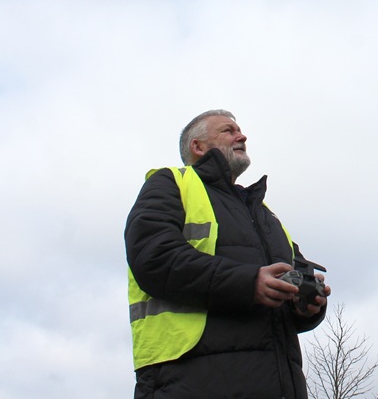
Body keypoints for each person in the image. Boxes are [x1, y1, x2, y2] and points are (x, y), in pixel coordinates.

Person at [126, 109, 329, 399]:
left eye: (240, 130)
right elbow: (154, 258)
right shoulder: (171, 183)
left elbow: (295, 278)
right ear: (198, 147)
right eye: (228, 130)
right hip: (189, 382)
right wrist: (249, 283)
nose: (242, 136)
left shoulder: (264, 215)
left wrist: (307, 304)